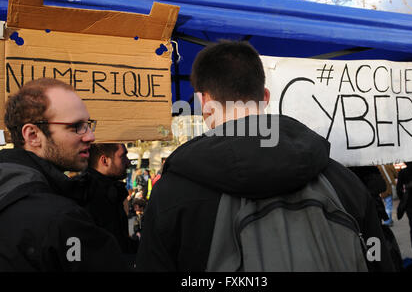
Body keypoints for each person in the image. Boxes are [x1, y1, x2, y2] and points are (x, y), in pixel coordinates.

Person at [136, 40, 394, 272]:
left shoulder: (172, 193)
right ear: (265, 97)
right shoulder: (342, 180)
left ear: (204, 102)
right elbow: (377, 258)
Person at [0, 78, 128, 271]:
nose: (90, 136)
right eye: (75, 126)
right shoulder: (62, 218)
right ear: (33, 135)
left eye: (88, 124)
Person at [76, 143, 138, 259]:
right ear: (105, 161)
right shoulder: (91, 194)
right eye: (123, 156)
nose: (128, 162)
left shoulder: (109, 190)